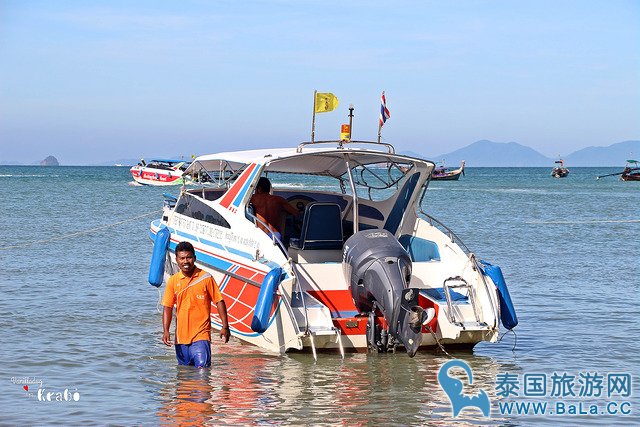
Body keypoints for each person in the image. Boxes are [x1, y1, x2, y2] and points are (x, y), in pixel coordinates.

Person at [162, 241, 230, 368]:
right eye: (182, 258)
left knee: (202, 373)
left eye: (189, 257)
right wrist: (166, 331)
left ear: (194, 258)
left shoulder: (205, 278)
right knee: (184, 378)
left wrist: (225, 326)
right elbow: (168, 307)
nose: (185, 261)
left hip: (201, 336)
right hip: (180, 338)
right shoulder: (173, 281)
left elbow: (219, 301)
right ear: (176, 259)